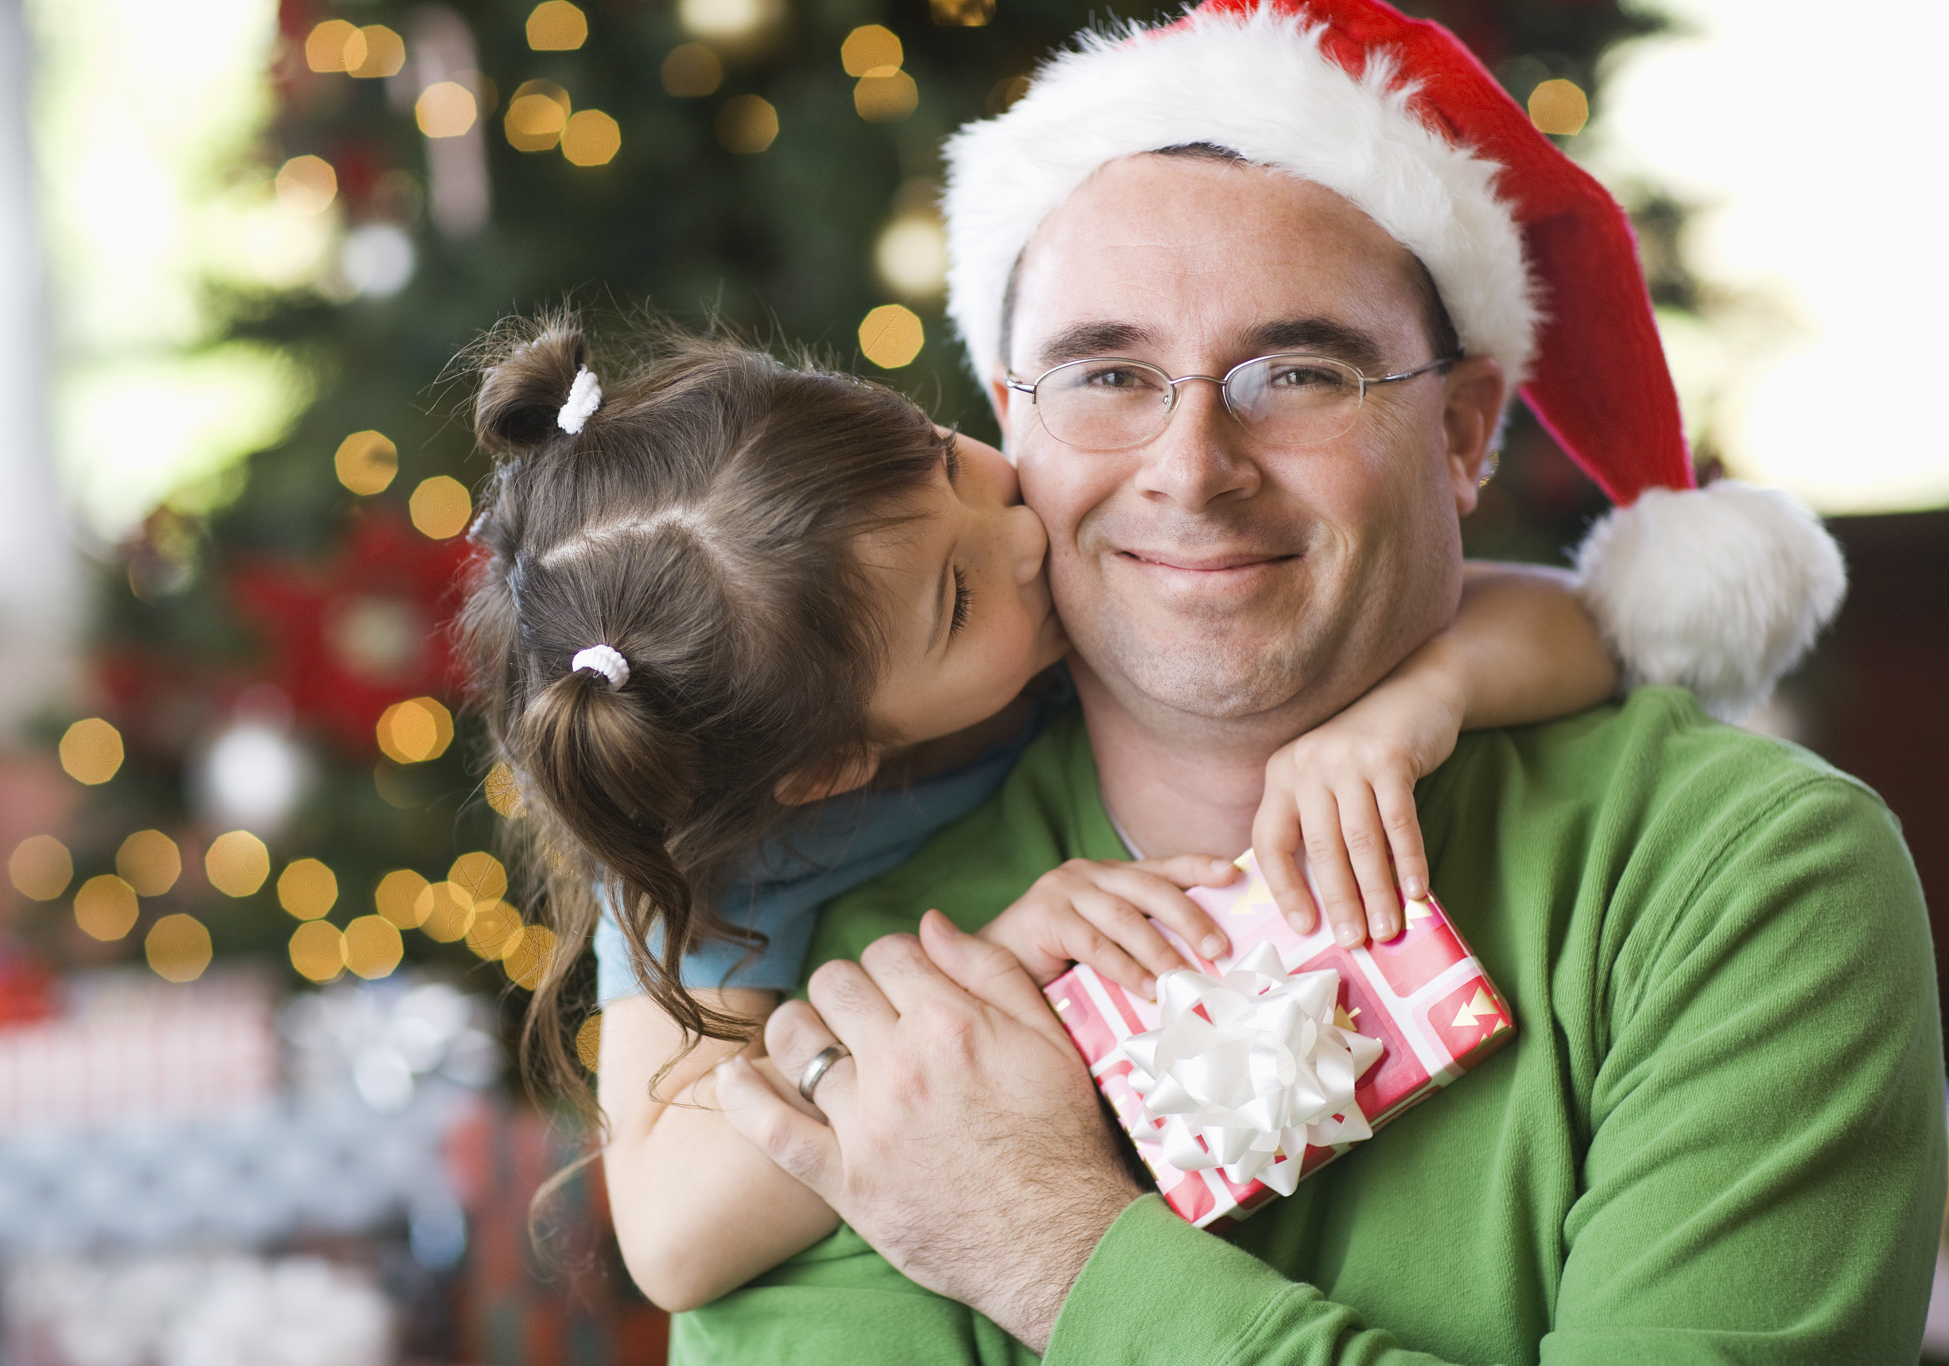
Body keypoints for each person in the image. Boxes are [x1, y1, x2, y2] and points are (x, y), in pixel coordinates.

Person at [705, 1, 1944, 1362]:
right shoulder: (872, 948)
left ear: (1464, 430)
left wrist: (1050, 1247)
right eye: (1108, 373)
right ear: (1012, 426)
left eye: (1295, 371)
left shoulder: (1746, 874)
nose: (1190, 468)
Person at [455, 320, 1620, 1313]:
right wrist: (991, 967)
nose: (1019, 531)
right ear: (829, 763)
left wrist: (1412, 705)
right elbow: (669, 1236)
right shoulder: (734, 858)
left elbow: (1576, 623)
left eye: (940, 458)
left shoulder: (1099, 590)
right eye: (958, 599)